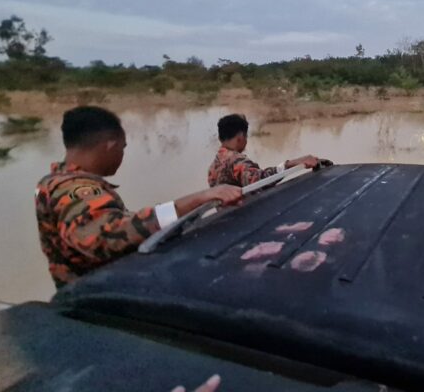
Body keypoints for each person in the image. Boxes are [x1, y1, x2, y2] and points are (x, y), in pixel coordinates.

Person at [35, 106, 243, 288]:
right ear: (110, 145)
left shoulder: (55, 181)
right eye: (122, 148)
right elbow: (105, 236)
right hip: (93, 304)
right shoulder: (74, 189)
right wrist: (195, 200)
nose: (122, 156)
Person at [207, 114, 319, 187]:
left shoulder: (214, 165)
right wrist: (291, 164)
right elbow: (261, 181)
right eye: (246, 137)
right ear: (240, 138)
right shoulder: (237, 161)